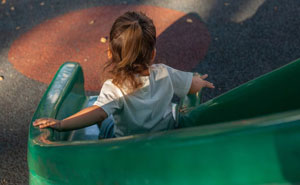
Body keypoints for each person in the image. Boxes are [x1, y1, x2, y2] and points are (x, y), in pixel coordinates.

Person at [33, 11, 215, 138]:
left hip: (126, 145)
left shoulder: (115, 87)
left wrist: (61, 124)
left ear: (110, 54)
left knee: (105, 123)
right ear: (152, 54)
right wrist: (199, 80)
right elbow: (192, 86)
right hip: (163, 138)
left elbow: (97, 113)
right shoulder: (165, 73)